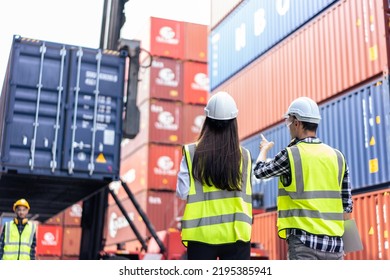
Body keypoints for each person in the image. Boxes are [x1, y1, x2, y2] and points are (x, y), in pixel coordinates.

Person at [253, 97, 353, 260]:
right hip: (335, 247)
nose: (288, 126)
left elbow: (259, 172)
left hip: (304, 246)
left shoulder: (291, 155)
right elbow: (347, 207)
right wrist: (347, 246)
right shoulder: (338, 156)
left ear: (297, 123)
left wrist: (264, 150)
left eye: (288, 122)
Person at [176, 91, 253, 260]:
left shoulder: (191, 153)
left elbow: (182, 192)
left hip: (200, 235)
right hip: (236, 234)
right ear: (234, 122)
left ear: (207, 120)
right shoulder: (245, 156)